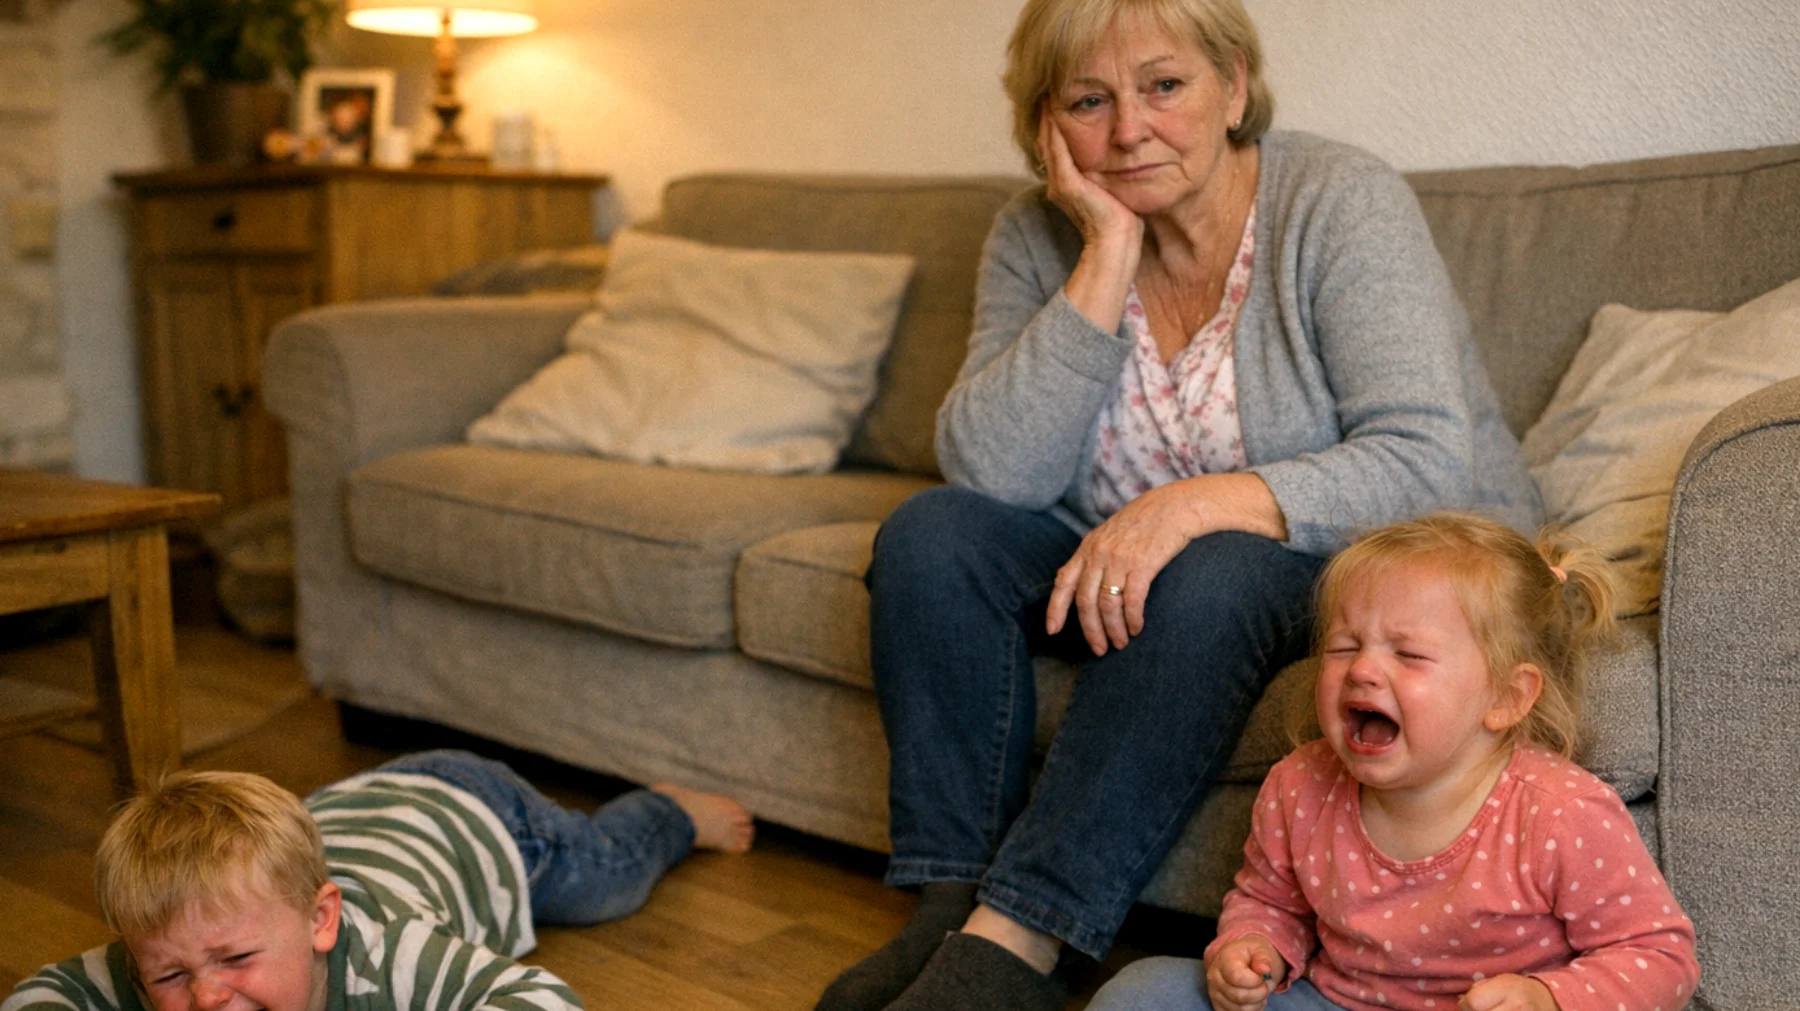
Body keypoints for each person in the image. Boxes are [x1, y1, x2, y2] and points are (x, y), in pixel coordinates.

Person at [814, 0, 1541, 1008]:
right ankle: (948, 909)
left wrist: (1195, 507)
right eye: (1087, 101)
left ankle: (1022, 942)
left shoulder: (1337, 200)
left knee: (1212, 569)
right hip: (1109, 567)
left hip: (1335, 566)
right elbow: (990, 472)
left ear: (1233, 86)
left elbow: (1425, 461)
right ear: (1045, 127)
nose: (1127, 130)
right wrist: (1106, 252)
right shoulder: (1035, 234)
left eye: (1164, 86)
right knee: (932, 536)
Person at [1086, 513, 1701, 1011]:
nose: (1362, 669)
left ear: (1506, 698)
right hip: (1335, 1001)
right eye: (1343, 647)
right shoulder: (1299, 784)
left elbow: (1660, 955)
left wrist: (1548, 997)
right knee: (1146, 990)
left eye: (1408, 654)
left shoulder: (1560, 813)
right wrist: (1254, 947)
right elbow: (1271, 902)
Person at [1, 750, 753, 1011]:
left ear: (321, 921)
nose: (205, 995)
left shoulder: (390, 954)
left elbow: (544, 997)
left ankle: (666, 810)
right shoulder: (176, 943)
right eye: (169, 973)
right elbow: (41, 994)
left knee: (605, 878)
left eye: (235, 960)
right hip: (342, 810)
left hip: (479, 815)